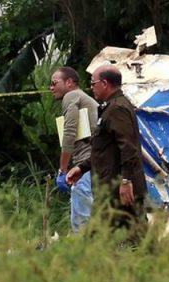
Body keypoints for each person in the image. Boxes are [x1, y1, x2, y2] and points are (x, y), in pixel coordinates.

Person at [65, 65, 147, 235]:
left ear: (104, 83)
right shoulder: (111, 107)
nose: (91, 88)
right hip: (112, 188)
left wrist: (126, 181)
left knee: (100, 239)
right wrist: (82, 167)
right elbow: (104, 149)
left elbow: (128, 148)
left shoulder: (117, 109)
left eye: (93, 83)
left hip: (118, 190)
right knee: (138, 238)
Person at [49, 66, 99, 233]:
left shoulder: (72, 96)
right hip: (96, 163)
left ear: (69, 82)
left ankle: (84, 256)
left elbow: (69, 131)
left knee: (81, 222)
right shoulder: (86, 99)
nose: (51, 87)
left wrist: (62, 169)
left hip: (85, 164)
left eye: (54, 83)